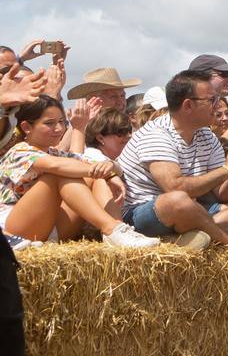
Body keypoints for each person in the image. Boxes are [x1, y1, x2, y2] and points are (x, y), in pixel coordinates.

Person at [115, 70, 228, 252]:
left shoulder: (207, 136)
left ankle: (179, 239)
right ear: (187, 105)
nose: (218, 106)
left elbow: (225, 195)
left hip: (191, 210)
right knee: (178, 200)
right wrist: (227, 169)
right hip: (143, 214)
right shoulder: (156, 134)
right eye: (211, 100)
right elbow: (175, 188)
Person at [0, 97, 158, 249]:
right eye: (50, 123)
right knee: (61, 174)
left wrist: (108, 171)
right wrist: (102, 171)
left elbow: (84, 162)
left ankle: (118, 230)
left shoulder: (55, 153)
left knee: (94, 178)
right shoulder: (18, 151)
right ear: (27, 127)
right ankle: (110, 228)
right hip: (15, 231)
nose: (59, 129)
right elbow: (55, 166)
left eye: (61, 122)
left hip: (52, 228)